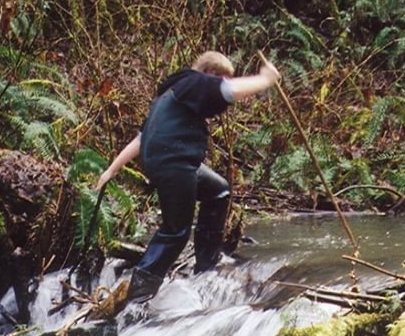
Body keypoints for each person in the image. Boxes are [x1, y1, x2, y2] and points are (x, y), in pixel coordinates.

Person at [96, 50, 281, 303]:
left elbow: (141, 139)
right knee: (175, 231)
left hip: (170, 161)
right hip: (174, 162)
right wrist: (266, 79)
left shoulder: (170, 94)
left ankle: (207, 264)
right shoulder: (194, 81)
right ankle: (137, 297)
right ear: (210, 73)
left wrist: (111, 169)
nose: (219, 85)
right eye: (219, 79)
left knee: (218, 190)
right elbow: (229, 91)